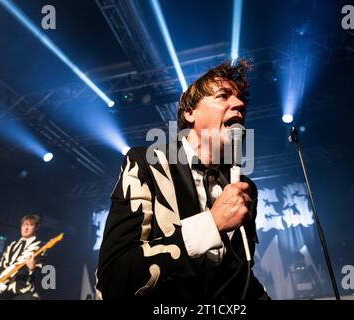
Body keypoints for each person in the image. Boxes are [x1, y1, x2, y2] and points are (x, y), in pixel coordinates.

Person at [96, 59, 269, 300]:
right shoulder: (147, 165)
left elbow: (238, 278)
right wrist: (211, 224)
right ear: (189, 113)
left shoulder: (245, 187)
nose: (239, 104)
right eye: (223, 96)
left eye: (240, 101)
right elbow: (114, 278)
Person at [0, 214, 43, 300]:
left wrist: (32, 268)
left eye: (30, 225)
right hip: (2, 288)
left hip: (22, 289)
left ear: (36, 227)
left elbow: (39, 271)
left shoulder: (39, 246)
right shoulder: (12, 245)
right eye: (23, 225)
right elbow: (1, 267)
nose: (25, 228)